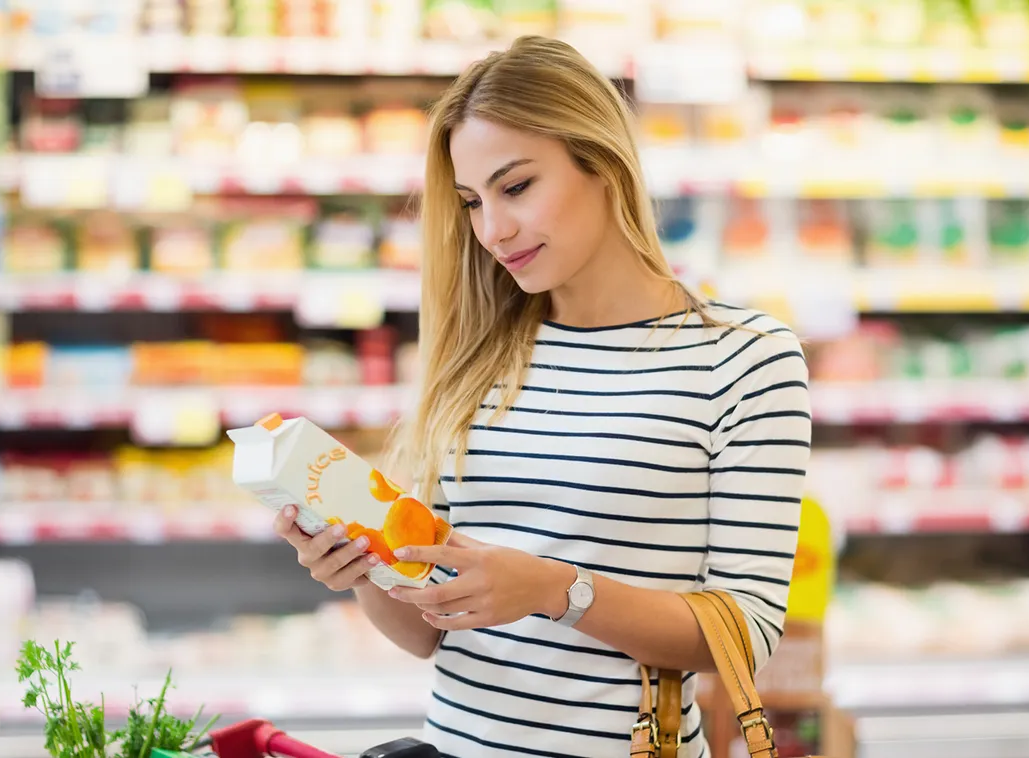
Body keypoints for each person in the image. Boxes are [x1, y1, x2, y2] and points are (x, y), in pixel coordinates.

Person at [272, 35, 812, 758]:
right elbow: (429, 634)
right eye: (470, 201)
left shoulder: (743, 358)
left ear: (602, 164)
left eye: (516, 186)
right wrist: (364, 569)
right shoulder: (475, 357)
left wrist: (556, 590)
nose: (492, 230)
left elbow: (744, 634)